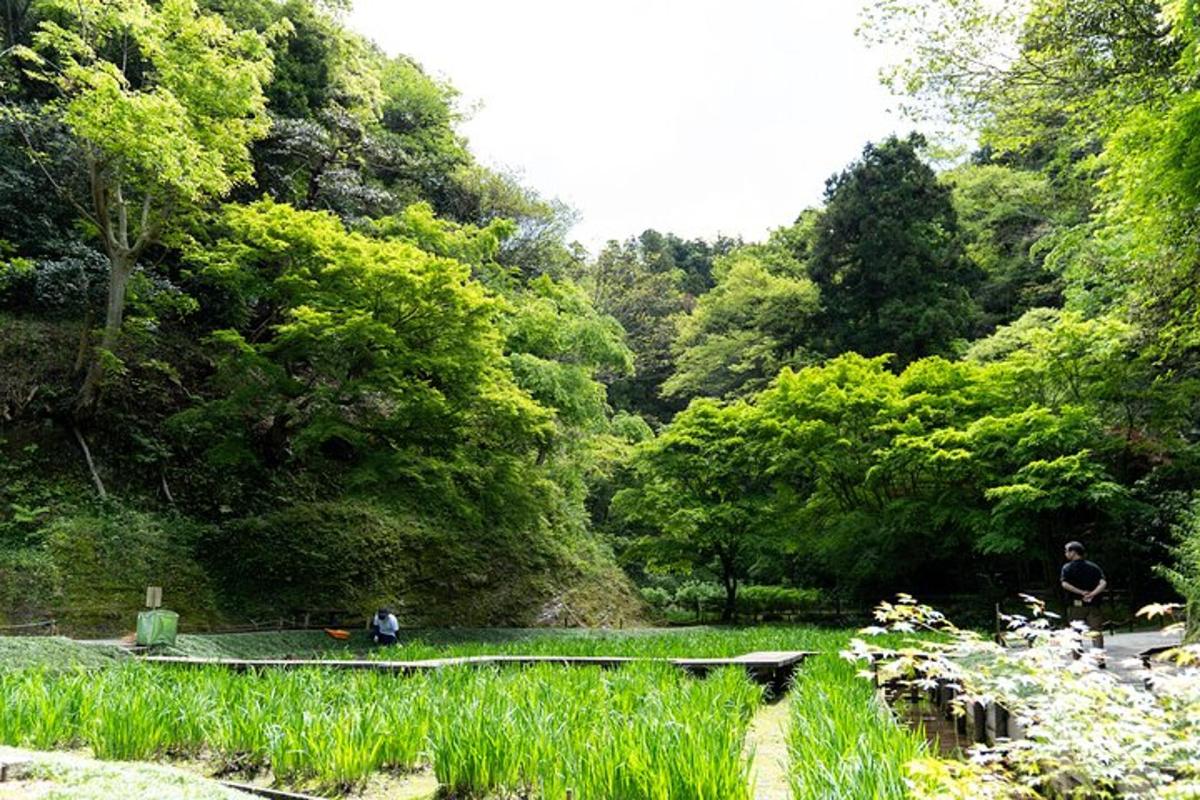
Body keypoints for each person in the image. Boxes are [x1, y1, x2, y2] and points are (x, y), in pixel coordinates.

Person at [1060, 541, 1107, 652]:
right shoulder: (1094, 567)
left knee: (1075, 632)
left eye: (1067, 551)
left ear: (1073, 552)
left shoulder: (1067, 568)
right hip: (1094, 604)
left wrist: (1081, 592)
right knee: (1096, 631)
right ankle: (1099, 658)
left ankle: (1078, 660)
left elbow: (1065, 584)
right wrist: (1092, 594)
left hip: (1075, 605)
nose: (1065, 553)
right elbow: (1103, 583)